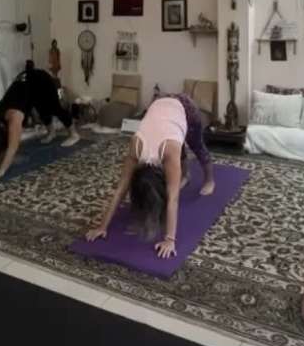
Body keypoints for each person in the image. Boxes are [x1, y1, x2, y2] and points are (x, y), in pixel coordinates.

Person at [86, 94, 214, 258]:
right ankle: (183, 175)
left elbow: (173, 198)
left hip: (184, 107)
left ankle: (210, 179)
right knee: (176, 147)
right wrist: (101, 227)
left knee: (197, 146)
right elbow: (121, 188)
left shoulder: (168, 150)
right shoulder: (136, 146)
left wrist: (169, 239)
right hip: (159, 103)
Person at [0, 61, 80, 181]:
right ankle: (51, 133)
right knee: (41, 107)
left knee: (54, 107)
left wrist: (1, 170)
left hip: (42, 79)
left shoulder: (15, 117)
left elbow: (13, 147)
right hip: (26, 83)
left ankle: (74, 134)